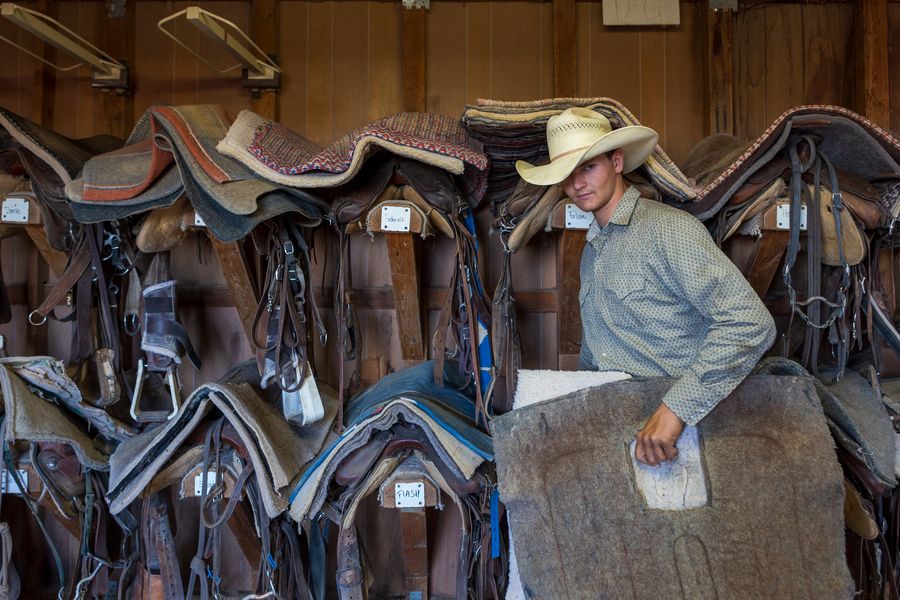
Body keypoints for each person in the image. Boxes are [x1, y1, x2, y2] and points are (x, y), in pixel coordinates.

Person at [516, 107, 776, 466]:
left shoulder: (669, 230)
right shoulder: (591, 253)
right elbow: (597, 357)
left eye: (589, 167)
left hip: (689, 430)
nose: (577, 184)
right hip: (622, 427)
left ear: (618, 162)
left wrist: (676, 410)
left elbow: (750, 323)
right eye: (567, 173)